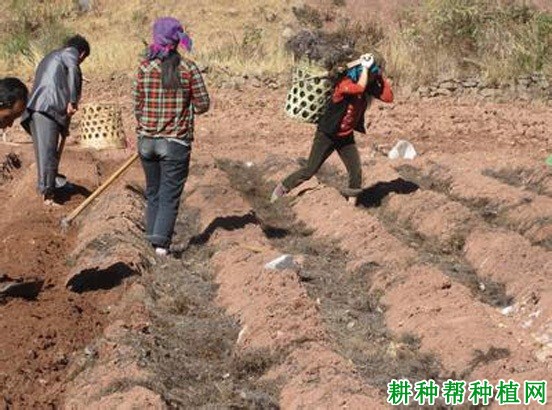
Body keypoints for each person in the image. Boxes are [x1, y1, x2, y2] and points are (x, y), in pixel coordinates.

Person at [133, 17, 210, 256]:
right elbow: (203, 104)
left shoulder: (144, 69)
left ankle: (151, 239)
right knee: (169, 194)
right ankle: (160, 246)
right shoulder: (188, 69)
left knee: (153, 192)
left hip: (146, 142)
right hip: (175, 142)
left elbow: (138, 106)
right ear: (177, 41)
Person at [271, 53, 394, 202]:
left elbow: (388, 97)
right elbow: (359, 88)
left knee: (355, 171)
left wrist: (379, 76)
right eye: (369, 74)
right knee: (310, 170)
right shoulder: (344, 84)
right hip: (327, 135)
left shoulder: (367, 86)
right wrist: (366, 68)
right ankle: (282, 188)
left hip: (345, 137)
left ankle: (351, 205)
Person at [21, 35, 90, 205]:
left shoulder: (53, 56)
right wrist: (73, 101)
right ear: (82, 54)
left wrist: (64, 124)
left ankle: (51, 183)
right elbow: (73, 70)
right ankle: (48, 194)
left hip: (38, 108)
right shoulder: (70, 54)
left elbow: (59, 86)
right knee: (47, 154)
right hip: (46, 108)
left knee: (44, 152)